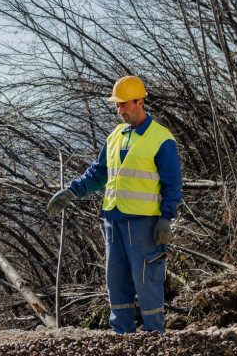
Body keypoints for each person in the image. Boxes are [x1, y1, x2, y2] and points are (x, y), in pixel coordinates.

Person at [46, 75, 182, 334]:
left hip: (144, 222)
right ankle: (121, 335)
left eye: (124, 104)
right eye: (117, 105)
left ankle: (154, 335)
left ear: (140, 101)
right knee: (116, 279)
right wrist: (72, 193)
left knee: (146, 280)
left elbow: (173, 184)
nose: (120, 110)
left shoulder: (161, 138)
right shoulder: (116, 135)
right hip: (113, 220)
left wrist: (167, 217)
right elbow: (99, 173)